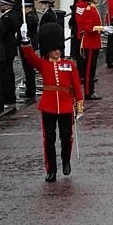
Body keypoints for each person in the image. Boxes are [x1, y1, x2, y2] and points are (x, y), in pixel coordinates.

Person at [18, 21, 82, 181]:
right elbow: (30, 56)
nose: (56, 51)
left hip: (66, 106)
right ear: (48, 50)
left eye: (58, 49)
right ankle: (51, 170)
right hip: (48, 106)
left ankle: (66, 161)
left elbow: (77, 88)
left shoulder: (69, 65)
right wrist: (25, 40)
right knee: (49, 140)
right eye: (53, 49)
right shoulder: (43, 64)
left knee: (66, 137)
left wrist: (79, 107)